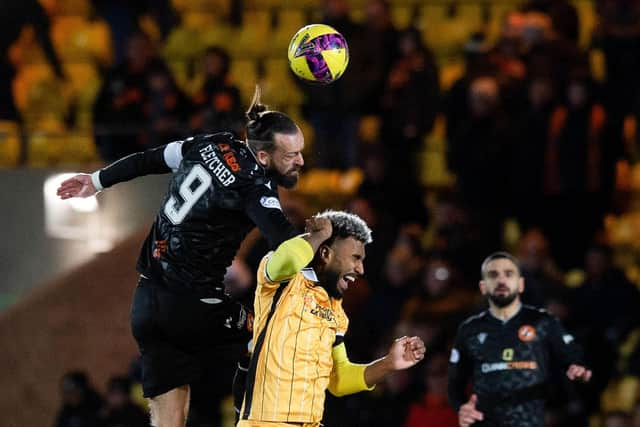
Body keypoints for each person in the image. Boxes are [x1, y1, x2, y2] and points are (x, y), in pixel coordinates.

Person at [57, 87, 305, 427]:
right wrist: (321, 241)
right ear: (263, 157)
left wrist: (97, 180)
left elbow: (149, 159)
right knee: (269, 334)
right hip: (193, 304)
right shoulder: (255, 185)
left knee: (169, 420)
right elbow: (286, 244)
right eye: (291, 155)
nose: (300, 162)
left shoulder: (208, 144)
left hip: (146, 303)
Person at [237, 211, 426, 426]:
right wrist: (319, 235)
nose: (361, 269)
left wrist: (389, 364)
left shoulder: (336, 310)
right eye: (355, 258)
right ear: (325, 254)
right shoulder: (284, 281)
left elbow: (339, 379)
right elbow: (286, 259)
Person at [448, 251, 592, 427]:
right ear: (483, 286)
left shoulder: (544, 323)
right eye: (493, 275)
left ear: (521, 284)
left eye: (508, 274)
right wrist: (462, 408)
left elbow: (571, 356)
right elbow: (455, 382)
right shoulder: (469, 329)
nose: (501, 281)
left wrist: (576, 366)